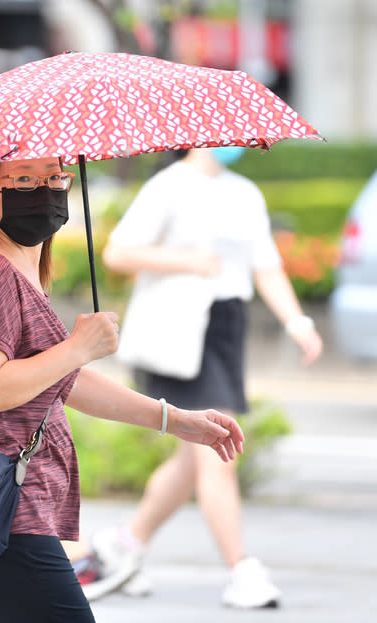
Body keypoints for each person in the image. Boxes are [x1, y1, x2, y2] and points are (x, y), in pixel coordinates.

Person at [0, 155, 245, 622]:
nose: (43, 190)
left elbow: (64, 382)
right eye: (23, 179)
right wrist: (77, 348)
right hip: (2, 511)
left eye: (55, 177)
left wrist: (176, 420)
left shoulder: (15, 269)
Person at [84, 146, 324, 608]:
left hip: (225, 326)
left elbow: (266, 265)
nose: (242, 142)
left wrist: (298, 323)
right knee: (217, 447)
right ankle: (241, 569)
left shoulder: (245, 192)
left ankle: (126, 543)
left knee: (194, 456)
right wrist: (189, 261)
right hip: (180, 333)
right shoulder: (168, 185)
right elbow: (118, 252)